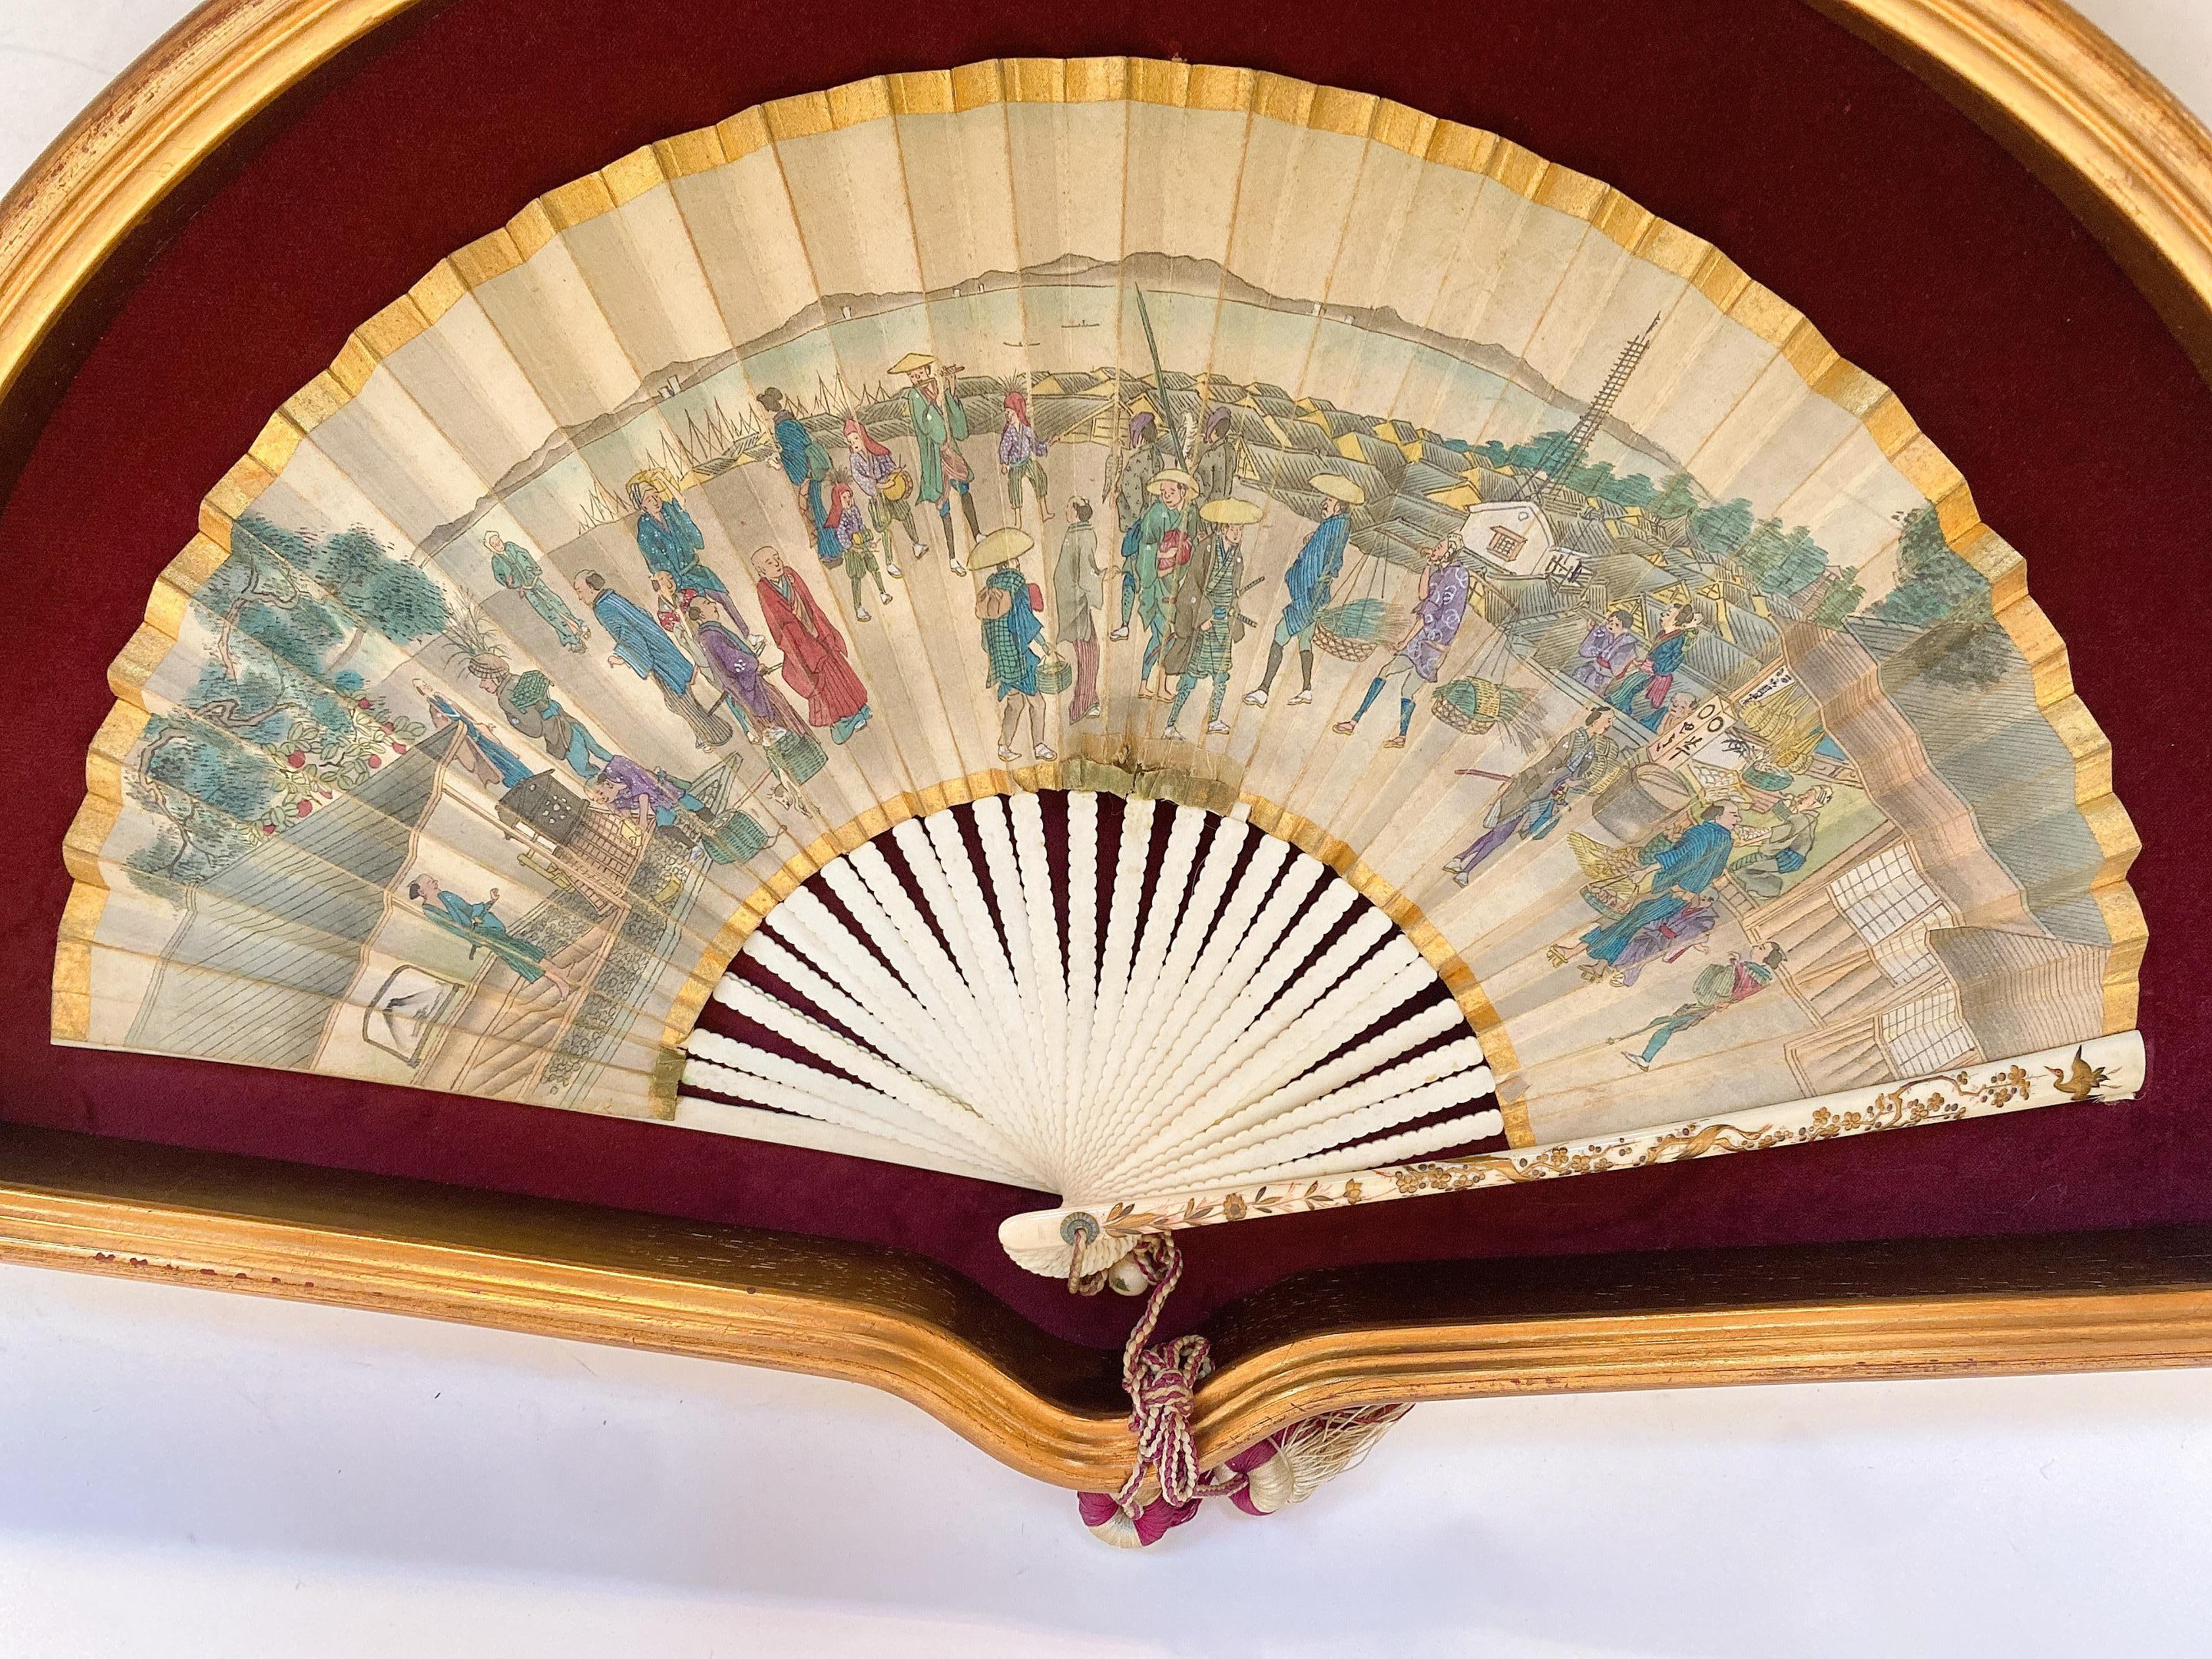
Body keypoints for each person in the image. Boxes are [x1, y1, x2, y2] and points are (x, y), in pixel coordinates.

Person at [1555, 801, 1741, 982]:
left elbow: (1676, 857)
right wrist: (1694, 888)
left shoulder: (1702, 833)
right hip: (1681, 897)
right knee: (1631, 923)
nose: (1738, 818)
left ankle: (1579, 954)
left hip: (1667, 890)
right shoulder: (1723, 840)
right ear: (1717, 816)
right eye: (1734, 814)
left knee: (1623, 920)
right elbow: (1715, 871)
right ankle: (1596, 963)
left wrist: (1646, 871)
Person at [1443, 706, 1613, 883]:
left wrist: (1572, 782)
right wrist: (1566, 781)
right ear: (1596, 720)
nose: (1610, 725)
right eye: (1608, 720)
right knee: (1501, 835)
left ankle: (1460, 860)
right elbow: (1551, 763)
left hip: (1546, 791)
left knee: (1500, 833)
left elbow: (1577, 770)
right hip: (1534, 787)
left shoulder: (1591, 742)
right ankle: (1464, 870)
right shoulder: (1575, 737)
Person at [574, 570, 733, 750]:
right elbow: (643, 616)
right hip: (664, 649)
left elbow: (630, 636)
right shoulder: (613, 598)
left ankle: (715, 736)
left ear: (591, 587)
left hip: (657, 659)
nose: (579, 597)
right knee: (685, 699)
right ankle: (716, 731)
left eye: (580, 590)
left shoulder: (602, 608)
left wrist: (623, 657)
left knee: (681, 703)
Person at [1334, 539, 1472, 747]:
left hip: (1433, 645)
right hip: (1425, 640)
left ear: (1450, 551)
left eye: (1440, 546)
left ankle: (1397, 735)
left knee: (1405, 689)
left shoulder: (1455, 575)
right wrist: (1428, 564)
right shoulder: (1442, 573)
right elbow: (1423, 595)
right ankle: (1357, 722)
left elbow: (1428, 611)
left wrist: (1404, 641)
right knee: (1387, 671)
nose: (1436, 548)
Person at [1245, 472, 1363, 707]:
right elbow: (1327, 555)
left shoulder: (1333, 527)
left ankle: (1263, 690)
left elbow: (1316, 562)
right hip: (1318, 595)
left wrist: (1303, 583)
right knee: (1305, 639)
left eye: (1328, 501)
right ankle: (1307, 689)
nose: (1324, 504)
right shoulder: (1337, 526)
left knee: (1280, 634)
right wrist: (1314, 538)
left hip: (1310, 595)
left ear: (1339, 506)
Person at [754, 545, 871, 743]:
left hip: (815, 630)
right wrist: (798, 642)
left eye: (777, 558)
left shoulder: (790, 575)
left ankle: (859, 710)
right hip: (800, 643)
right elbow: (776, 622)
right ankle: (844, 721)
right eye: (769, 563)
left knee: (838, 670)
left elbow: (809, 600)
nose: (776, 564)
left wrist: (820, 627)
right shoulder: (764, 589)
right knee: (822, 681)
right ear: (761, 571)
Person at [1164, 497, 1259, 740]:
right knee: (1191, 677)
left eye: (1241, 529)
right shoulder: (1207, 547)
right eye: (1233, 528)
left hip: (1223, 623)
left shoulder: (1237, 557)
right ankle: (1170, 724)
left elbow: (1234, 590)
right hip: (1205, 621)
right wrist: (1202, 616)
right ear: (1224, 527)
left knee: (1221, 676)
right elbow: (1193, 586)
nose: (1237, 533)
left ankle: (1214, 719)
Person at [1617, 944, 1788, 1070]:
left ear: (1767, 957)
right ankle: (1629, 1042)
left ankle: (1645, 1059)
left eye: (1762, 948)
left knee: (1668, 1027)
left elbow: (1743, 990)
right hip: (1708, 1002)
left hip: (1710, 1003)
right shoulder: (1751, 969)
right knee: (1666, 1021)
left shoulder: (1760, 976)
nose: (1757, 946)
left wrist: (1730, 997)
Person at [409, 872, 572, 993]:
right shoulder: (430, 912)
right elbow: (453, 929)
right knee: (515, 955)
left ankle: (559, 978)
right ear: (422, 892)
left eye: (433, 880)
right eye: (430, 882)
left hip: (486, 929)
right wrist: (473, 936)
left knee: (518, 952)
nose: (435, 882)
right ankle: (558, 978)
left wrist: (490, 902)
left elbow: (470, 910)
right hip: (479, 936)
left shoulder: (447, 896)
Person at [972, 528, 1054, 763]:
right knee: (1038, 704)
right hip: (1019, 660)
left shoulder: (989, 593)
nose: (1018, 562)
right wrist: (1042, 643)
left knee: (1016, 703)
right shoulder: (1016, 588)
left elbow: (985, 640)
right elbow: (1025, 621)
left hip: (1003, 661)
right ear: (1010, 562)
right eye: (1015, 559)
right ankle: (1039, 746)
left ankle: (1003, 746)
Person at [1114, 467, 1199, 695]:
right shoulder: (1155, 513)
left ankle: (1155, 685)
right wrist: (1165, 558)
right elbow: (1146, 547)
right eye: (1163, 491)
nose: (1166, 495)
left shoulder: (1190, 514)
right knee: (1163, 635)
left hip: (1176, 582)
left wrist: (1180, 562)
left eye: (1172, 490)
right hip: (1155, 582)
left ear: (1183, 491)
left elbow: (1193, 547)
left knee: (1168, 636)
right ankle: (1148, 684)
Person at [890, 352, 978, 568]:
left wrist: (950, 386)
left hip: (949, 451)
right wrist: (934, 402)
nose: (917, 378)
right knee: (943, 503)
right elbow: (928, 427)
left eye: (919, 373)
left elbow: (953, 420)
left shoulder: (934, 386)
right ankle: (952, 557)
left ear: (927, 371)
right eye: (912, 376)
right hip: (934, 458)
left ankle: (977, 534)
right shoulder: (914, 396)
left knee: (964, 488)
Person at [469, 657, 614, 781]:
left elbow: (535, 729)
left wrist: (515, 722)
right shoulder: (517, 679)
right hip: (568, 721)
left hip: (559, 733)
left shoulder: (505, 698)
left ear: (494, 677)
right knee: (600, 751)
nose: (482, 685)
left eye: (483, 679)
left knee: (585, 771)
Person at [760, 388, 842, 568]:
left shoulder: (783, 427)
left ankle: (830, 552)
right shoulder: (790, 421)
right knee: (819, 511)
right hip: (814, 469)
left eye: (762, 412)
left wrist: (781, 462)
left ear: (768, 410)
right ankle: (832, 550)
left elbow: (795, 454)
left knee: (818, 513)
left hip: (809, 474)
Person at [413, 677, 532, 791]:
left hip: (474, 730)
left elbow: (464, 714)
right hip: (466, 737)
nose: (426, 687)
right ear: (422, 692)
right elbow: (443, 729)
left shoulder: (441, 698)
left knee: (501, 752)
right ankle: (515, 782)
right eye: (423, 687)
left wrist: (481, 725)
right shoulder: (434, 709)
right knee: (491, 761)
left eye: (425, 684)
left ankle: (525, 774)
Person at [483, 531, 588, 653]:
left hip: (535, 580)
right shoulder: (496, 560)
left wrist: (534, 569)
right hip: (525, 588)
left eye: (498, 541)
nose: (499, 545)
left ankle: (577, 624)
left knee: (554, 601)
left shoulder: (511, 546)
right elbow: (500, 577)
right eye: (495, 545)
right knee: (546, 612)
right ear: (492, 547)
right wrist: (512, 583)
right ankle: (571, 638)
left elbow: (525, 555)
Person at [628, 475, 728, 598]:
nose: (655, 501)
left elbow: (680, 502)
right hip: (678, 582)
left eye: (656, 495)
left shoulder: (669, 510)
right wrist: (674, 582)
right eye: (649, 500)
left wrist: (665, 480)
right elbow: (657, 562)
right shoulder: (645, 530)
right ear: (643, 506)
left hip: (696, 570)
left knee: (725, 598)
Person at [843, 411, 920, 566]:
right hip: (877, 496)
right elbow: (861, 479)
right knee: (884, 528)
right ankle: (890, 563)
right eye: (851, 442)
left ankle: (916, 544)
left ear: (862, 436)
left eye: (856, 438)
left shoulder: (874, 449)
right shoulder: (855, 459)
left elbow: (887, 464)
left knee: (905, 513)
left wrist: (894, 473)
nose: (854, 444)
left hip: (889, 489)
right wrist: (881, 486)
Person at [1051, 498, 1104, 725]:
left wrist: (1095, 576)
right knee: (1089, 652)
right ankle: (1082, 704)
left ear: (1075, 511)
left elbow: (1083, 568)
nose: (1065, 509)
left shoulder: (1078, 534)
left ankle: (1089, 700)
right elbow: (1085, 572)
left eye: (1068, 505)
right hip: (1077, 601)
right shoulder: (1081, 534)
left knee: (1088, 651)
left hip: (1074, 599)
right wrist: (1095, 583)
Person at [1604, 603, 1699, 731]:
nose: (1663, 615)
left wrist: (1656, 668)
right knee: (1628, 684)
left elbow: (1675, 660)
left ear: (1677, 621)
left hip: (1655, 672)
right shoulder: (1662, 633)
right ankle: (1617, 706)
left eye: (1667, 614)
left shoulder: (1679, 638)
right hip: (1646, 667)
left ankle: (1619, 707)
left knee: (1632, 686)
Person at [1731, 784, 1833, 901]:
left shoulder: (1806, 819)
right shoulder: (1801, 814)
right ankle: (1766, 883)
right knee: (1740, 864)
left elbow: (1779, 833)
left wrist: (1749, 840)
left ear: (1814, 804)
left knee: (1746, 870)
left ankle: (1770, 889)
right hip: (1780, 851)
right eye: (1805, 794)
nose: (1801, 797)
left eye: (1806, 798)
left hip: (1788, 858)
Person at [823, 471, 892, 620]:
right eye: (844, 498)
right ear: (838, 500)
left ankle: (883, 593)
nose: (848, 500)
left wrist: (868, 542)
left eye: (849, 496)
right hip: (852, 552)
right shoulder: (840, 517)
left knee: (874, 568)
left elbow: (861, 526)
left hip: (862, 545)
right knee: (857, 577)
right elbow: (842, 536)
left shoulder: (854, 510)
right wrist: (853, 548)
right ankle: (859, 607)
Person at [998, 388, 1051, 520]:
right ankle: (1018, 520)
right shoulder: (1009, 432)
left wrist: (1046, 446)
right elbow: (1004, 448)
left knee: (1040, 477)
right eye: (1007, 413)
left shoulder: (1026, 430)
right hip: (1015, 465)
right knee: (1014, 487)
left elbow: (1035, 445)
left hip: (1027, 461)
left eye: (1012, 414)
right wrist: (1004, 463)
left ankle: (1044, 512)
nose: (1009, 417)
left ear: (1019, 412)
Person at [1572, 608, 1640, 691]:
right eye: (1610, 622)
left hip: (1606, 673)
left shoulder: (1627, 644)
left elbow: (1619, 665)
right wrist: (1595, 631)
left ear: (1625, 629)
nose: (1611, 625)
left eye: (1617, 624)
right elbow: (1587, 650)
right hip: (1594, 666)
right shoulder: (1604, 633)